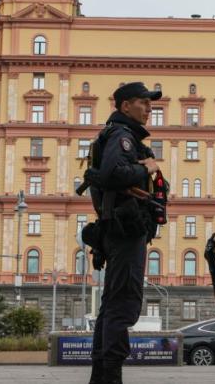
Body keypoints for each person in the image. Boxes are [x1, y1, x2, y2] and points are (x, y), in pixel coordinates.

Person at [88, 82, 162, 384]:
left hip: (118, 228)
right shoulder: (123, 136)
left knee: (112, 305)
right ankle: (111, 376)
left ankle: (101, 375)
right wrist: (147, 168)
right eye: (143, 102)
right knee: (123, 304)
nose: (149, 108)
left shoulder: (117, 134)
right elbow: (112, 174)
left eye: (150, 103)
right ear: (124, 105)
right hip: (126, 229)